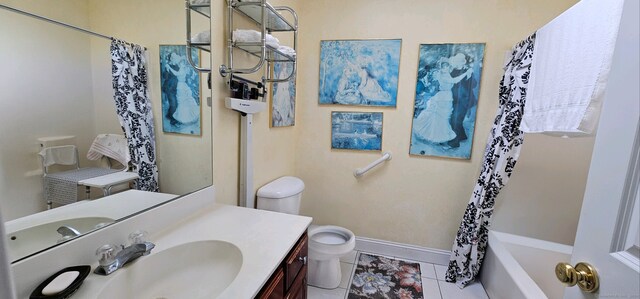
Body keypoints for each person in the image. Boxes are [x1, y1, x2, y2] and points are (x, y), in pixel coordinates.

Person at [413, 57, 473, 146]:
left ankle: (441, 136)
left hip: (446, 97)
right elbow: (454, 80)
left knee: (443, 118)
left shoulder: (446, 74)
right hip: (443, 98)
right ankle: (440, 137)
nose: (446, 68)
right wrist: (466, 73)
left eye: (447, 67)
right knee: (442, 118)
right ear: (441, 68)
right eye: (444, 67)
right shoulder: (442, 76)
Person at [447, 53, 478, 148]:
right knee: (455, 118)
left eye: (459, 61)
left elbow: (474, 85)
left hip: (464, 100)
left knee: (455, 120)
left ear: (462, 62)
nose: (457, 63)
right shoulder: (453, 71)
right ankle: (462, 136)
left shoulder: (468, 71)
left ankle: (454, 143)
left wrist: (469, 76)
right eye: (456, 61)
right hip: (454, 99)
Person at [165, 56, 199, 124]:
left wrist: (169, 67)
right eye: (180, 63)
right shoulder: (183, 69)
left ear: (183, 64)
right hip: (182, 85)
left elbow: (176, 73)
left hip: (181, 86)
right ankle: (183, 116)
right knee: (183, 102)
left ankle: (184, 118)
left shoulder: (182, 70)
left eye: (181, 63)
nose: (179, 64)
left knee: (182, 102)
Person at [162, 52, 180, 126]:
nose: (173, 58)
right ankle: (173, 121)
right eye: (172, 57)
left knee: (175, 103)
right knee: (173, 104)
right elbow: (165, 77)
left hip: (176, 88)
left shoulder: (176, 66)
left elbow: (178, 75)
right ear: (170, 58)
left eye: (174, 57)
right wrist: (166, 69)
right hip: (169, 88)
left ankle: (169, 115)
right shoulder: (167, 66)